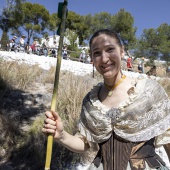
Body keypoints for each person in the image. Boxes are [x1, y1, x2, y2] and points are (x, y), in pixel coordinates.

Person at [42, 29, 170, 170]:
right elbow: (85, 144)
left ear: (122, 51)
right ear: (92, 59)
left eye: (110, 49)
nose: (104, 59)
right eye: (97, 53)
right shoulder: (90, 102)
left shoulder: (148, 91)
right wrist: (61, 135)